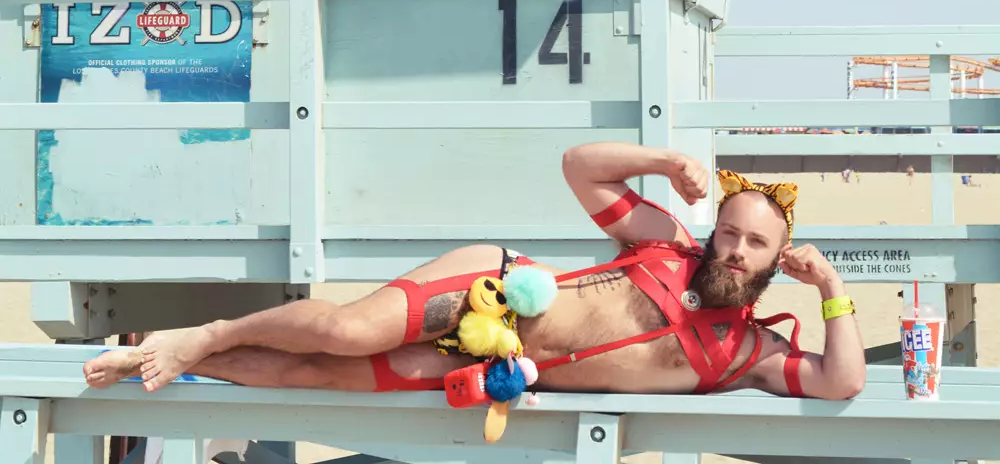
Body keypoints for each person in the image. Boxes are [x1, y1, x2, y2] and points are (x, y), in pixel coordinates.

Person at [83, 143, 865, 401]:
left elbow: (843, 383)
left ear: (774, 262)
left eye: (751, 245)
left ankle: (167, 357)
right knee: (342, 330)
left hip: (494, 363)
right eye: (729, 231)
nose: (730, 249)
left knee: (316, 375)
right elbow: (581, 169)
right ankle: (203, 336)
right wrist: (663, 161)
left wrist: (831, 291)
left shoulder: (750, 354)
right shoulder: (668, 242)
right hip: (488, 287)